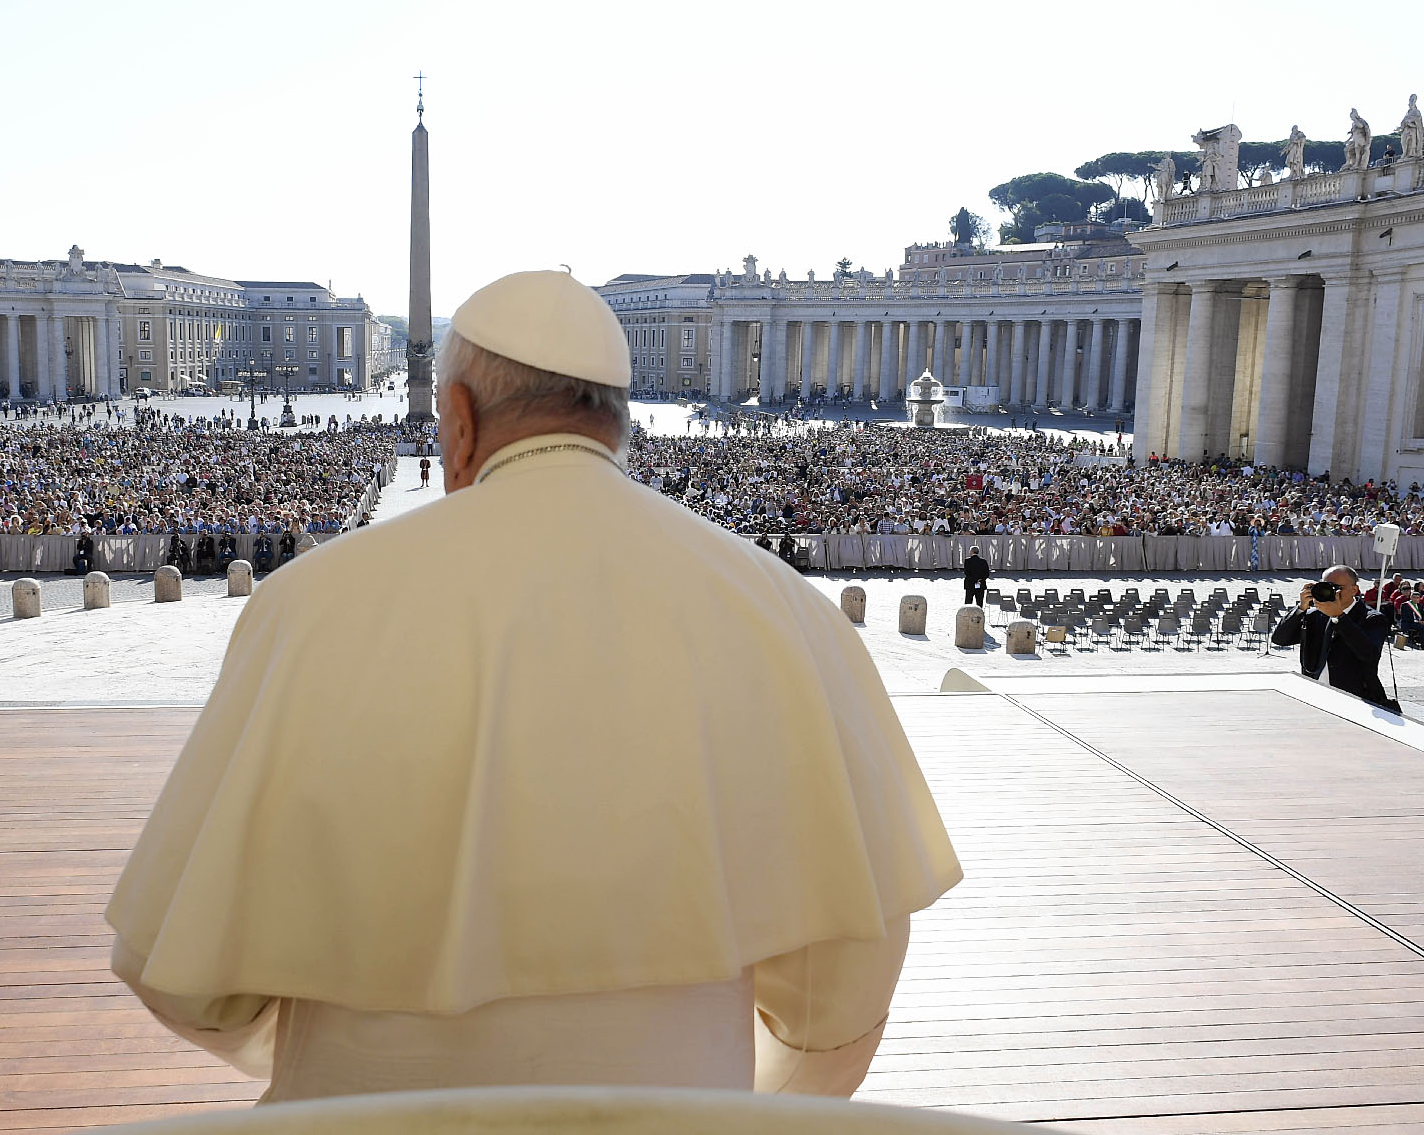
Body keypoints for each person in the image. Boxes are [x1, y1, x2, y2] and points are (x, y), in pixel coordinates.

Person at [108, 270, 960, 1103]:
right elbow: (842, 987)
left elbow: (178, 971)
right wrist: (736, 1101)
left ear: (458, 418)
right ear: (619, 425)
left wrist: (314, 1065)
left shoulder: (306, 605)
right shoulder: (783, 609)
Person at [1272, 565, 1395, 710]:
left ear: (1354, 590)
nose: (1332, 592)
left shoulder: (1372, 618)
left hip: (1356, 699)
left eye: (1338, 587)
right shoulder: (1315, 615)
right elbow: (1280, 639)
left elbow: (1369, 655)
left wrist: (1339, 617)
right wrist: (1300, 608)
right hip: (1315, 695)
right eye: (1326, 586)